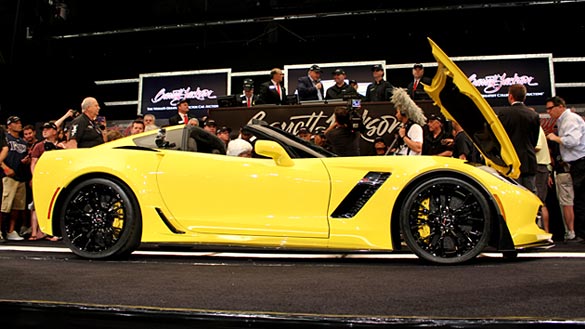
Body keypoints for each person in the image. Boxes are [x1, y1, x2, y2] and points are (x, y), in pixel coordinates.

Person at [545, 96, 585, 242]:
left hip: (579, 162)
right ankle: (579, 233)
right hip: (575, 164)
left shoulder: (570, 119)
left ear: (560, 106)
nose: (548, 112)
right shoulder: (564, 120)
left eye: (550, 108)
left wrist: (555, 138)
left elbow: (572, 141)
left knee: (579, 200)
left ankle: (581, 234)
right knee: (577, 199)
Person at [497, 84, 540, 193]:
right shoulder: (533, 115)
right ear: (524, 97)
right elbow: (534, 141)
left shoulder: (504, 114)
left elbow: (500, 138)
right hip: (529, 161)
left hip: (511, 162)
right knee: (531, 195)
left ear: (510, 96)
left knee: (513, 194)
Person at [28, 121, 62, 241]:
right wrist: (36, 177)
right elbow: (33, 163)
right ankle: (34, 232)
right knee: (37, 205)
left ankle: (52, 232)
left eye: (48, 129)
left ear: (54, 131)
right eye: (43, 129)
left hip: (57, 179)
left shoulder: (62, 146)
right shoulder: (39, 146)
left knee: (55, 205)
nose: (44, 131)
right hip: (42, 179)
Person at [0, 116, 30, 241]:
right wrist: (4, 167)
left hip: (20, 176)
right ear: (9, 126)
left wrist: (26, 161)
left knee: (17, 207)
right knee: (4, 206)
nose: (19, 125)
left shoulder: (23, 142)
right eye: (16, 123)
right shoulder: (5, 138)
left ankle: (11, 231)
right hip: (7, 176)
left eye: (19, 122)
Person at [390, 87, 426, 156]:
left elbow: (418, 148)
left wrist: (404, 137)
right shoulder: (404, 127)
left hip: (411, 163)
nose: (396, 115)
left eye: (397, 112)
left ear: (403, 112)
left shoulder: (415, 127)